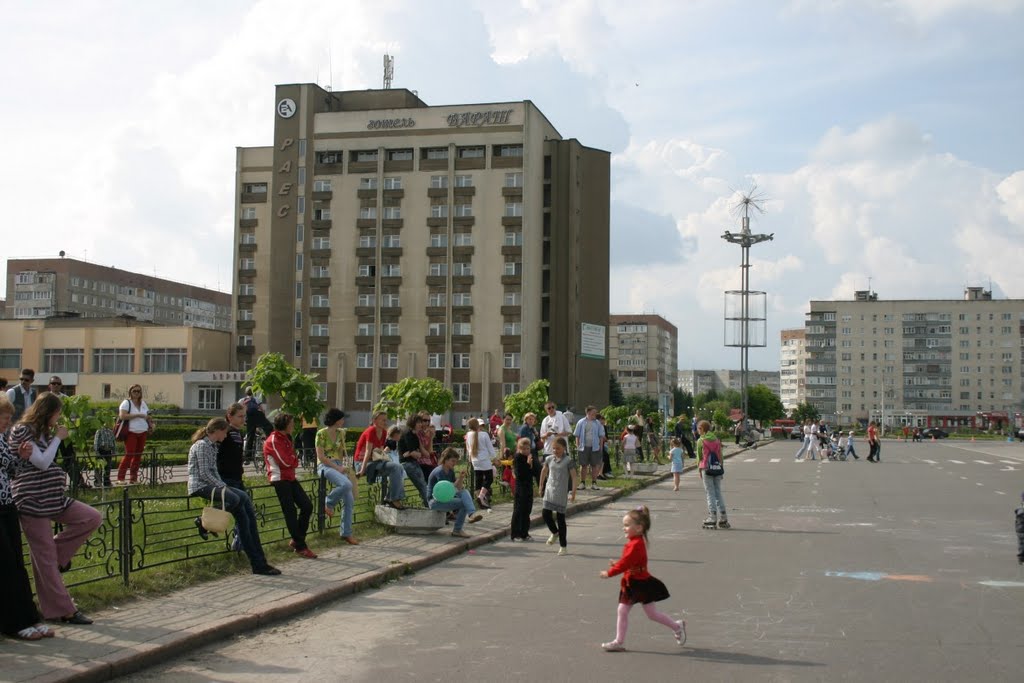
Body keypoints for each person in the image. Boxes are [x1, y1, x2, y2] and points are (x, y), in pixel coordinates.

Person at [9, 393, 102, 624]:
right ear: (49, 411)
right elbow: (41, 462)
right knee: (45, 557)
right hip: (32, 499)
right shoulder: (23, 430)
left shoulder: (42, 432)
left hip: (52, 497)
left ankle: (55, 556)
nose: (59, 418)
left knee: (91, 517)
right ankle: (64, 610)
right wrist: (58, 438)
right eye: (58, 413)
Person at [188, 417, 280, 575]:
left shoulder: (212, 446)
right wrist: (223, 486)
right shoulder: (202, 445)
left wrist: (222, 485)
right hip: (200, 486)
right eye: (224, 433)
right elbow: (203, 473)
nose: (225, 436)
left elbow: (214, 471)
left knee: (245, 512)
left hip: (213, 483)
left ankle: (259, 563)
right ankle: (203, 522)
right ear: (217, 431)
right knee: (236, 498)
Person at [0, 395, 55, 640]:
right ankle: (13, 622)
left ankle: (29, 617)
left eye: (9, 417)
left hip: (6, 503)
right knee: (7, 565)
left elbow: (12, 470)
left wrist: (21, 457)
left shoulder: (2, 439)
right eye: (4, 416)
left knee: (16, 564)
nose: (8, 421)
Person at [599, 506, 685, 652]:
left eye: (627, 525)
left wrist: (610, 573)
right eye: (623, 525)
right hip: (632, 582)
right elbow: (628, 561)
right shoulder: (634, 542)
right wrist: (617, 564)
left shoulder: (636, 544)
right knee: (623, 611)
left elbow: (626, 562)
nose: (624, 528)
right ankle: (619, 641)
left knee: (651, 614)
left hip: (640, 583)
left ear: (639, 528)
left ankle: (677, 626)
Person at [263, 413, 315, 559]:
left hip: (290, 477)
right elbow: (285, 461)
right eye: (291, 423)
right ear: (285, 425)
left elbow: (293, 459)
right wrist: (293, 460)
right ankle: (301, 546)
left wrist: (293, 460)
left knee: (307, 506)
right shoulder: (273, 440)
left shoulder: (286, 438)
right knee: (290, 511)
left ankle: (297, 539)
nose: (293, 426)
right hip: (279, 479)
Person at [316, 408, 359, 545]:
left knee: (349, 500)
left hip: (338, 465)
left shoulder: (341, 433)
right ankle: (328, 502)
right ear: (336, 420)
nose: (343, 421)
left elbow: (340, 453)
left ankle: (346, 533)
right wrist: (337, 468)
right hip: (325, 466)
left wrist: (342, 467)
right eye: (341, 419)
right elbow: (321, 457)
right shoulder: (321, 434)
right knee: (346, 485)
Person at [353, 411, 407, 509]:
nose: (385, 422)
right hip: (362, 463)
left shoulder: (384, 432)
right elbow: (368, 452)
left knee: (398, 468)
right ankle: (393, 499)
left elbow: (380, 452)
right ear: (375, 421)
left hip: (375, 461)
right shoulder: (371, 431)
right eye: (383, 420)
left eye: (386, 420)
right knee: (396, 467)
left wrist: (385, 460)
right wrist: (361, 470)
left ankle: (391, 497)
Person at [427, 448, 483, 537]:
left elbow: (458, 488)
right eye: (453, 461)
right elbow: (446, 491)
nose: (455, 463)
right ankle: (460, 527)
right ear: (445, 460)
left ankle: (471, 514)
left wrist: (460, 478)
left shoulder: (450, 471)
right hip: (435, 501)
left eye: (456, 461)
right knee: (464, 503)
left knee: (464, 492)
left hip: (444, 498)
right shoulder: (440, 472)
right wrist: (458, 482)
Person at [538, 437, 578, 555]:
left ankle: (563, 546)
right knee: (545, 514)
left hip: (561, 492)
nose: (555, 451)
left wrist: (574, 492)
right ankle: (555, 532)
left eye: (558, 448)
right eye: (554, 448)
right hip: (550, 490)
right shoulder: (549, 459)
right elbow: (544, 471)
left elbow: (574, 477)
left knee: (561, 519)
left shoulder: (568, 461)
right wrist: (541, 485)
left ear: (564, 448)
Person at [216, 402, 247, 552]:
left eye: (244, 416)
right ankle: (239, 544)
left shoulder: (238, 433)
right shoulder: (225, 433)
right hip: (227, 477)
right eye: (240, 416)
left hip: (237, 477)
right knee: (243, 512)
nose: (243, 419)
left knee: (244, 512)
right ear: (230, 416)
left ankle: (239, 544)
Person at [115, 384, 153, 485]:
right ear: (130, 392)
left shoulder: (143, 403)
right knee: (129, 454)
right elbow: (122, 416)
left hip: (142, 431)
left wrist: (151, 424)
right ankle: (120, 478)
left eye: (138, 391)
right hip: (131, 432)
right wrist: (138, 415)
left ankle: (133, 478)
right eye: (134, 391)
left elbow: (148, 415)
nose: (136, 393)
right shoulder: (126, 403)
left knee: (138, 455)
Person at [696, 420, 728, 529]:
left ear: (702, 429)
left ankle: (712, 517)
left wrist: (699, 470)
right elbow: (720, 456)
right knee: (718, 492)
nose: (697, 431)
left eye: (698, 429)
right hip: (717, 468)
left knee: (710, 493)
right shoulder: (717, 440)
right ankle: (723, 517)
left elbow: (699, 457)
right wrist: (721, 468)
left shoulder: (701, 441)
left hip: (706, 468)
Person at [397, 413, 431, 506]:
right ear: (413, 422)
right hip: (408, 464)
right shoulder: (408, 433)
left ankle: (429, 505)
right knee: (423, 486)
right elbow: (413, 453)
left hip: (412, 462)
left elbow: (424, 453)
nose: (421, 425)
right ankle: (431, 507)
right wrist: (415, 453)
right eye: (419, 422)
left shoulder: (414, 434)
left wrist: (415, 453)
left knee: (423, 486)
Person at [466, 417, 497, 510]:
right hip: (484, 459)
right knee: (489, 478)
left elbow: (468, 448)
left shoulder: (468, 434)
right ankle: (481, 497)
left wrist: (470, 458)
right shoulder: (484, 434)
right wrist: (494, 458)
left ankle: (481, 501)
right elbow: (490, 448)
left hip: (474, 460)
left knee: (478, 479)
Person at [574, 406, 605, 490]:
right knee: (583, 465)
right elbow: (577, 435)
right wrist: (578, 446)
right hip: (583, 447)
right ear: (588, 413)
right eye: (594, 412)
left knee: (594, 465)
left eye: (596, 413)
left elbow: (601, 436)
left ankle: (594, 483)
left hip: (595, 447)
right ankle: (582, 483)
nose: (595, 414)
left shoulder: (598, 423)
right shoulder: (581, 422)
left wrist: (601, 447)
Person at [509, 437, 534, 541]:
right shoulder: (518, 458)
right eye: (523, 449)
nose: (525, 451)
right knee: (519, 510)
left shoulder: (529, 457)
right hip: (521, 487)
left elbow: (533, 472)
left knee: (527, 510)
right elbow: (520, 474)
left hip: (528, 486)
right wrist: (528, 464)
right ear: (519, 449)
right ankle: (515, 534)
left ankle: (524, 533)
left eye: (527, 448)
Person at [241, 388, 272, 461]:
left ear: (246, 393)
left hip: (249, 418)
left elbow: (240, 409)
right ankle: (270, 444)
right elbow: (262, 409)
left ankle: (248, 457)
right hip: (258, 416)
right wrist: (263, 419)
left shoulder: (242, 400)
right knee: (269, 427)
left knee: (250, 436)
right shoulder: (256, 399)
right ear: (253, 392)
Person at [518, 412, 542, 485]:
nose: (531, 421)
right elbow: (523, 440)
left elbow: (535, 439)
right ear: (526, 420)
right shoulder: (525, 428)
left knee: (536, 470)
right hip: (528, 451)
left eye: (533, 419)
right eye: (529, 419)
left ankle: (541, 488)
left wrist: (536, 434)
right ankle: (542, 488)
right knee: (538, 469)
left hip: (534, 450)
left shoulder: (532, 428)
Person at [92, 419, 115, 488]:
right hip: (101, 451)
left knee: (108, 467)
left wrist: (114, 451)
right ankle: (97, 481)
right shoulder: (99, 430)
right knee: (99, 467)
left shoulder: (110, 432)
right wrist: (97, 451)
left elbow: (113, 441)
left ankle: (107, 482)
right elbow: (96, 442)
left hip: (108, 451)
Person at [597, 413, 613, 479]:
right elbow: (602, 436)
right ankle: (601, 473)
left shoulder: (604, 427)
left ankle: (605, 472)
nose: (603, 421)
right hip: (598, 444)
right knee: (603, 457)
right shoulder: (597, 426)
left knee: (605, 457)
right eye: (601, 420)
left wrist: (607, 440)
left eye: (603, 420)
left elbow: (606, 436)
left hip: (603, 444)